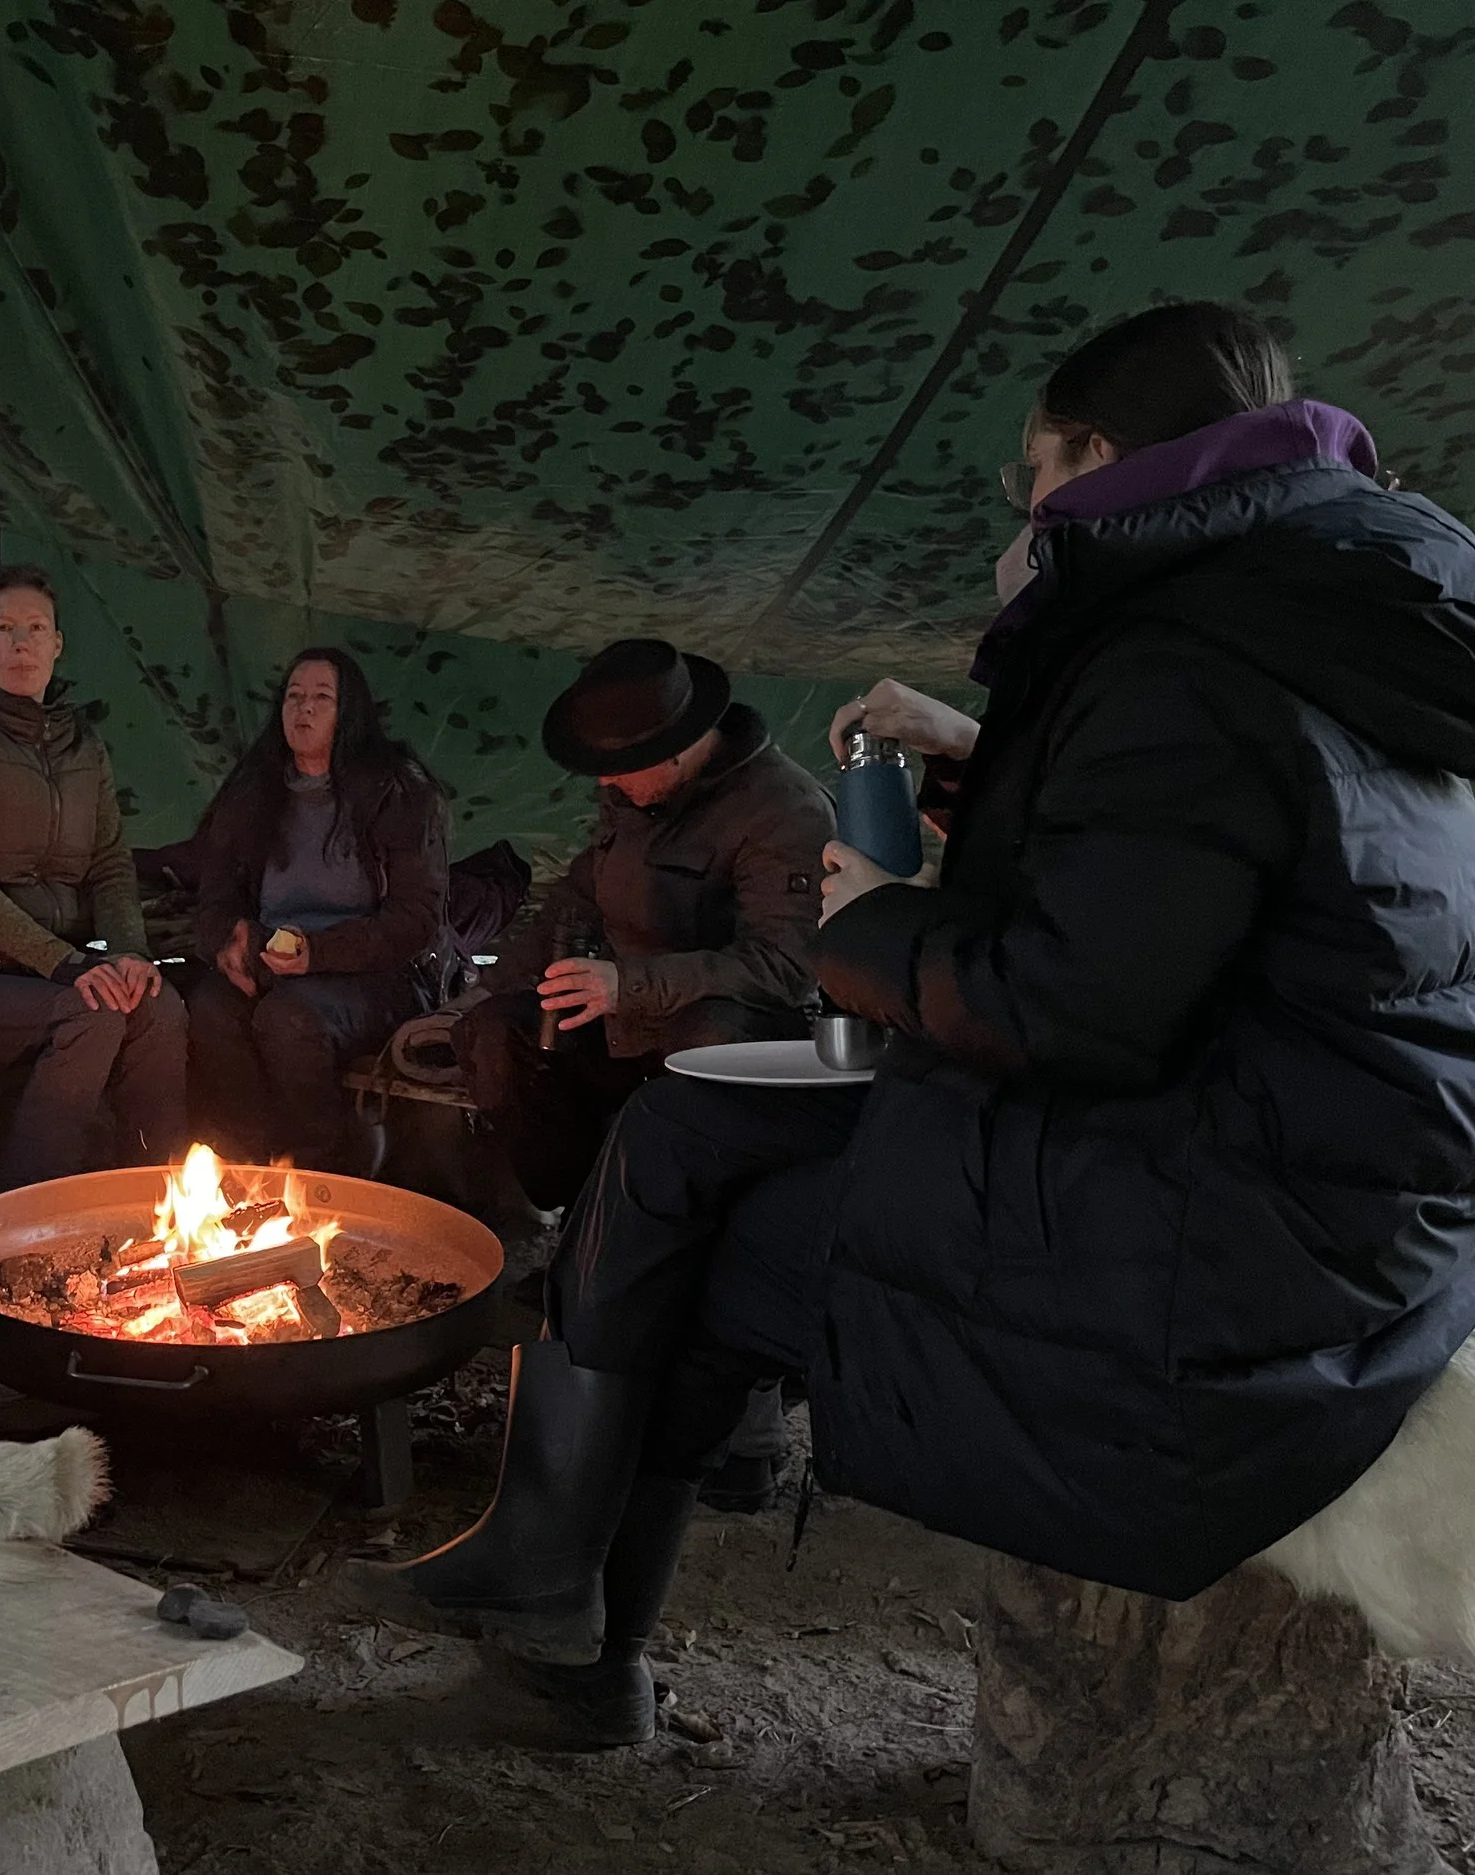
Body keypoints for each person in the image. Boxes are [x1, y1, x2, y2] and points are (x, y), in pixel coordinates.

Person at [356, 302, 1475, 1747]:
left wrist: (863, 915)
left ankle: (573, 1625)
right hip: (1313, 1184)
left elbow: (1059, 1000)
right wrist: (987, 762)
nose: (1025, 505)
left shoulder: (1189, 653)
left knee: (698, 1254)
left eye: (1032, 469)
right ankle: (556, 1583)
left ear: (1096, 453)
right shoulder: (1322, 602)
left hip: (1221, 1266)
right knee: (683, 1130)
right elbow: (1172, 883)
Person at [456, 639, 834, 1209]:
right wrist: (486, 987)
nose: (605, 785)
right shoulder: (635, 788)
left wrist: (626, 985)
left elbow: (784, 968)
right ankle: (580, 1217)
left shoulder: (785, 809)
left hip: (722, 1025)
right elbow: (581, 893)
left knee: (704, 1042)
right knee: (494, 1034)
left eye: (617, 770)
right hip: (621, 1022)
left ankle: (677, 1232)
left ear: (677, 749)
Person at [0, 564, 187, 1189]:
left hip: (58, 963)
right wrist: (67, 963)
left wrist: (131, 954)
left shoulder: (84, 746)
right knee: (91, 1011)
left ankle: (153, 1201)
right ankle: (29, 1216)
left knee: (158, 1007)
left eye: (36, 628)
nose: (21, 643)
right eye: (3, 628)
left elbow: (111, 864)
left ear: (58, 643)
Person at [189, 649, 447, 1172]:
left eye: (321, 698)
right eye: (293, 697)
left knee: (289, 1019)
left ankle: (322, 1172)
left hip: (381, 973)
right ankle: (248, 1171)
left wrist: (319, 953)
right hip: (277, 960)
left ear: (349, 711)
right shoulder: (255, 788)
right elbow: (214, 895)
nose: (303, 709)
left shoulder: (398, 790)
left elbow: (416, 920)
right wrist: (228, 942)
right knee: (211, 1008)